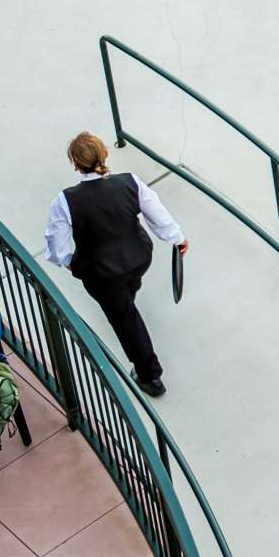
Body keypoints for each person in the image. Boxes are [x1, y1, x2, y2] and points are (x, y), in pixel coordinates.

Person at [44, 133, 183, 397]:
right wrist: (177, 238)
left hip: (101, 275)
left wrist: (68, 262)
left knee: (126, 320)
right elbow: (158, 215)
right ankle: (126, 299)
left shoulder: (65, 201)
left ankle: (150, 376)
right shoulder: (130, 182)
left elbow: (57, 243)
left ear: (75, 163)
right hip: (139, 258)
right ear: (104, 154)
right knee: (126, 300)